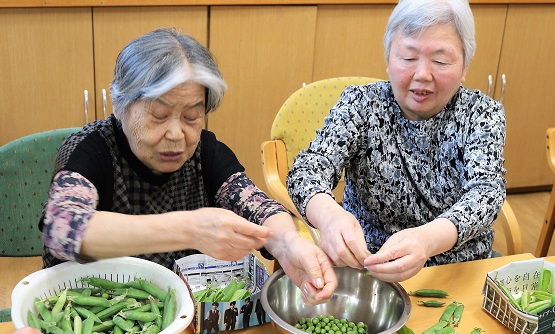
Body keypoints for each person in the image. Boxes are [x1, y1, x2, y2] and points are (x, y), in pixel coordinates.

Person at [40, 27, 336, 305]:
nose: (176, 134)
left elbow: (258, 206)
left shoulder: (205, 151)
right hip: (91, 306)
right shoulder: (90, 149)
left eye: (192, 117)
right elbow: (63, 227)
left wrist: (287, 244)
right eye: (158, 115)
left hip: (174, 310)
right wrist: (189, 229)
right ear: (119, 106)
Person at [287, 0, 506, 283]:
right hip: (369, 270)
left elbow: (486, 194)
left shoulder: (482, 114)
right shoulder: (362, 105)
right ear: (389, 58)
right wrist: (329, 215)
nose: (422, 75)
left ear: (465, 65)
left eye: (440, 61)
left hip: (457, 272)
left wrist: (427, 240)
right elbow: (308, 169)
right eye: (408, 57)